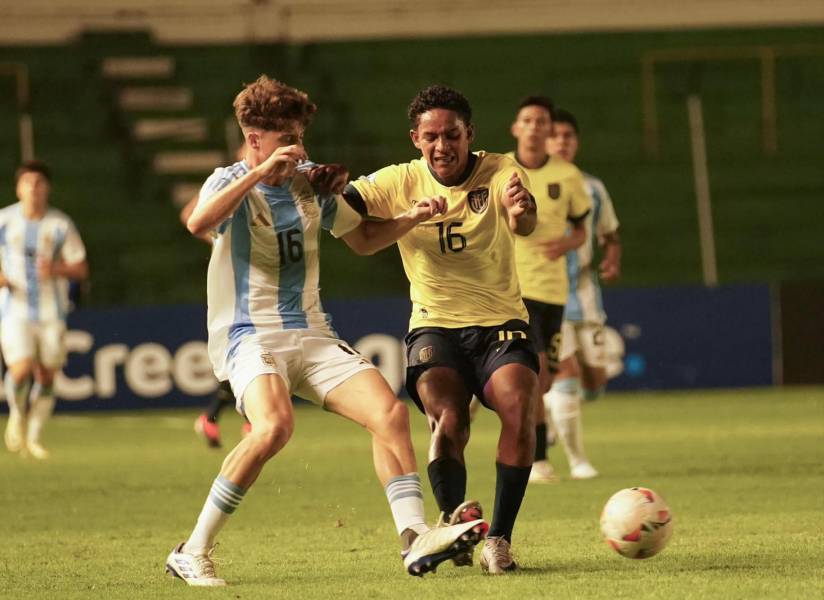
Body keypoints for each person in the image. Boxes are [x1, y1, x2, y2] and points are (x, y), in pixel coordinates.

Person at [164, 75, 487, 587]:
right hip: (249, 333)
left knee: (389, 413)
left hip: (311, 332)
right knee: (274, 427)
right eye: (285, 141)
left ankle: (414, 536)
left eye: (299, 138)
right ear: (254, 140)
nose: (299, 149)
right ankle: (192, 550)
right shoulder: (227, 181)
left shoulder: (307, 181)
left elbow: (362, 239)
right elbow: (198, 222)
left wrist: (411, 216)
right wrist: (259, 172)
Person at [344, 85, 539, 574]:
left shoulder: (500, 169)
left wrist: (521, 212)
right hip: (435, 326)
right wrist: (319, 187)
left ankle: (499, 539)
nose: (441, 146)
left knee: (519, 404)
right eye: (431, 136)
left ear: (469, 134)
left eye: (451, 135)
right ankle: (452, 523)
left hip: (500, 323)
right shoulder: (397, 182)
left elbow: (523, 219)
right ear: (415, 138)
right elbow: (342, 208)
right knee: (448, 419)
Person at [508, 96, 593, 483]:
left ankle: (537, 450)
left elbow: (581, 230)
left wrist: (566, 243)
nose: (535, 127)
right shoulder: (502, 170)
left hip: (554, 291)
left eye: (542, 121)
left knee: (542, 380)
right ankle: (537, 459)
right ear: (516, 128)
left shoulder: (567, 176)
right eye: (528, 120)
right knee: (534, 370)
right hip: (512, 288)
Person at [545, 108, 621, 474]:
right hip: (548, 292)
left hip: (587, 293)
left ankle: (547, 408)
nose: (562, 141)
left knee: (595, 383)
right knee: (566, 371)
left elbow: (609, 232)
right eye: (555, 135)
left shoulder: (592, 187)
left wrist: (612, 257)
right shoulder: (529, 183)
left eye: (568, 136)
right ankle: (578, 462)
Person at [1, 160, 89, 459]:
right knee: (22, 368)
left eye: (39, 183)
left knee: (48, 376)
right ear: (18, 188)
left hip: (52, 311)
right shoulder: (4, 221)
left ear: (47, 188)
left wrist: (55, 268)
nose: (34, 188)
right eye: (28, 182)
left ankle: (35, 436)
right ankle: (16, 414)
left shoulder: (60, 224)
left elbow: (80, 268)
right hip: (15, 310)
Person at [179, 188, 250, 448]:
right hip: (238, 290)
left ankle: (214, 416)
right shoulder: (230, 182)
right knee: (249, 355)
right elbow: (190, 216)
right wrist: (218, 239)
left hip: (265, 287)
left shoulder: (272, 187)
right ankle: (249, 419)